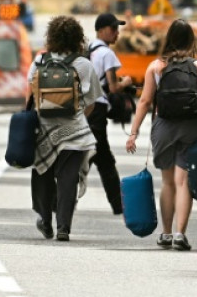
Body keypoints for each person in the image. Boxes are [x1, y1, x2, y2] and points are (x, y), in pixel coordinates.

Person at [125, 19, 197, 251]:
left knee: (167, 182)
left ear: (168, 39)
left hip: (164, 127)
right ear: (191, 40)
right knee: (184, 181)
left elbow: (145, 101)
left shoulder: (156, 67)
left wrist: (134, 132)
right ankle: (180, 234)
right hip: (192, 127)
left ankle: (165, 234)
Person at [28, 16, 102, 242]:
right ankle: (63, 228)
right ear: (78, 38)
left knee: (42, 175)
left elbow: (32, 93)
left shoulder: (39, 62)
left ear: (50, 37)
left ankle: (44, 219)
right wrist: (77, 118)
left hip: (44, 132)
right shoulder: (84, 65)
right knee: (68, 180)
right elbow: (91, 101)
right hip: (74, 133)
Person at [87, 13, 134, 215]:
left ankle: (118, 205)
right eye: (113, 29)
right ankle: (118, 205)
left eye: (118, 29)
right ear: (101, 30)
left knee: (92, 158)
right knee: (101, 160)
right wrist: (127, 83)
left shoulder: (88, 49)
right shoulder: (107, 54)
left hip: (85, 109)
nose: (117, 33)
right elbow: (113, 87)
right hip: (97, 111)